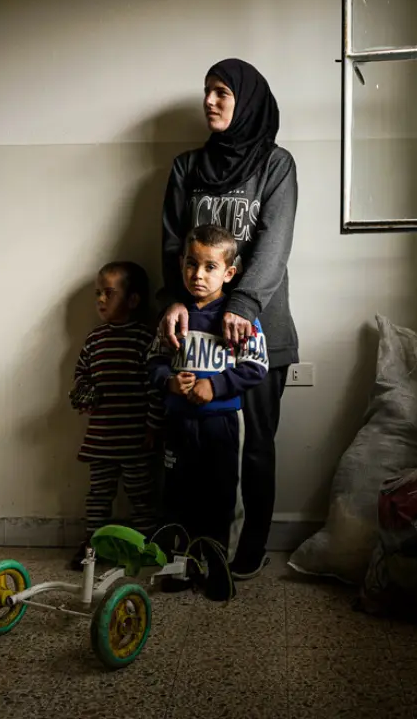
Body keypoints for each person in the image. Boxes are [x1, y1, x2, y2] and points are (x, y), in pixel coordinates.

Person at [157, 59, 298, 579]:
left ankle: (247, 550)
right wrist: (173, 297)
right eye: (207, 92)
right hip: (194, 332)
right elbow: (174, 242)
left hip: (258, 330)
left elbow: (274, 245)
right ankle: (191, 549)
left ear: (247, 101)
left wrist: (241, 305)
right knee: (191, 448)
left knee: (254, 447)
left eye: (222, 93)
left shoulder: (276, 165)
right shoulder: (186, 168)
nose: (211, 102)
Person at [147, 225, 269, 600]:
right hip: (179, 424)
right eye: (190, 264)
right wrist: (169, 381)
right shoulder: (174, 318)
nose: (197, 275)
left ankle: (220, 568)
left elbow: (257, 365)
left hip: (223, 424)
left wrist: (214, 386)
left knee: (222, 498)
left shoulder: (238, 319)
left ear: (229, 273)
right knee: (177, 497)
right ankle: (179, 567)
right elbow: (153, 361)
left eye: (210, 267)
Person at [68, 261, 163, 570]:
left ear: (133, 300)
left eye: (109, 293)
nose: (100, 300)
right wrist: (84, 396)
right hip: (101, 439)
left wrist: (152, 427)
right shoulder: (94, 340)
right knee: (98, 495)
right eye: (98, 294)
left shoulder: (144, 339)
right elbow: (81, 376)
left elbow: (154, 387)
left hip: (136, 438)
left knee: (141, 496)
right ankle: (93, 546)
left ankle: (146, 546)